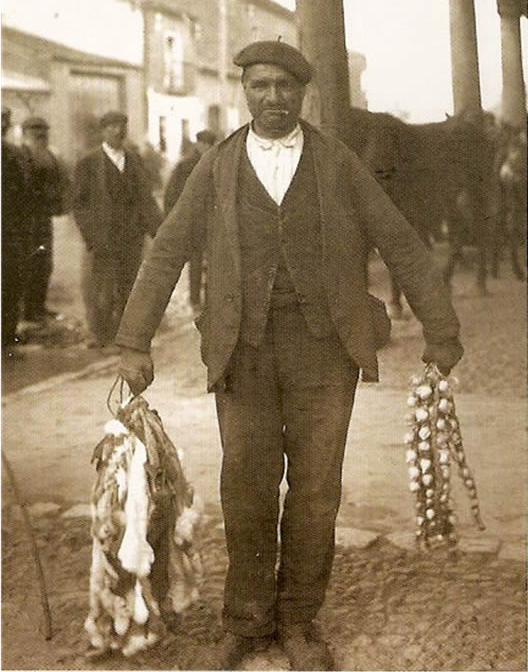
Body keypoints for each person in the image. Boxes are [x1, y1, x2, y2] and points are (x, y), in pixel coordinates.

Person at [116, 41, 463, 670]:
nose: (272, 97)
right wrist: (133, 342)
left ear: (303, 94)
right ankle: (248, 622)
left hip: (325, 353)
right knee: (245, 486)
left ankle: (300, 619)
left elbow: (401, 243)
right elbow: (167, 250)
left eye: (284, 86)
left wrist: (441, 332)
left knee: (315, 491)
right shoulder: (216, 168)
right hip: (241, 354)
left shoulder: (337, 164)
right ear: (244, 90)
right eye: (260, 85)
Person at [72, 111, 163, 350]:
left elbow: (146, 198)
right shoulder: (89, 162)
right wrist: (90, 236)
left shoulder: (134, 159)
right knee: (101, 288)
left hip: (131, 236)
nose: (118, 131)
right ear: (103, 131)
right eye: (112, 126)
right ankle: (101, 334)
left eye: (122, 126)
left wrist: (158, 231)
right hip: (103, 237)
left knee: (129, 285)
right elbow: (79, 204)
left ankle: (124, 335)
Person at [20, 116, 71, 322]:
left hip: (43, 218)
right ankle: (27, 310)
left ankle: (38, 306)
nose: (41, 135)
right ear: (25, 133)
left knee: (44, 262)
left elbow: (62, 181)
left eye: (43, 131)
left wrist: (61, 204)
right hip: (23, 220)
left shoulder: (51, 155)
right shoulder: (20, 155)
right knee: (28, 262)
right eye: (35, 131)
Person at [164, 129, 217, 313]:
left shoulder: (219, 164)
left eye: (210, 145)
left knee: (214, 260)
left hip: (213, 222)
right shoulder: (185, 166)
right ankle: (195, 300)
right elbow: (172, 195)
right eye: (204, 144)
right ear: (198, 144)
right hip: (193, 222)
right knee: (195, 261)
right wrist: (174, 220)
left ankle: (211, 298)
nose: (207, 148)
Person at [1, 108, 29, 357]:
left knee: (10, 282)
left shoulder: (12, 154)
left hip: (9, 230)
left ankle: (7, 336)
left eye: (4, 121)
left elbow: (23, 194)